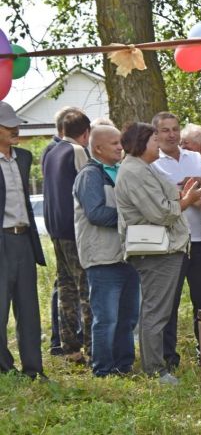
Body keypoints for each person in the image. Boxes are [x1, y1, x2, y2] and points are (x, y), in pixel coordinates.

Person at [115, 122, 201, 385]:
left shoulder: (143, 168)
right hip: (156, 252)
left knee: (158, 310)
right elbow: (160, 213)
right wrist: (187, 200)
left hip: (164, 249)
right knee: (156, 312)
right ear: (141, 143)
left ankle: (157, 365)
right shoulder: (134, 171)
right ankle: (154, 369)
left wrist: (180, 197)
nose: (160, 145)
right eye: (155, 140)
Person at [73, 125, 139, 377]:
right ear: (97, 148)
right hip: (102, 258)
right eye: (114, 143)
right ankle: (103, 369)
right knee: (107, 319)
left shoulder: (121, 171)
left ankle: (124, 365)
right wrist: (132, 216)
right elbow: (96, 213)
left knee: (128, 317)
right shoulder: (89, 175)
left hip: (127, 256)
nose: (120, 147)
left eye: (120, 142)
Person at [152, 112, 201, 369]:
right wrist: (183, 197)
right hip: (171, 244)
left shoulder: (196, 158)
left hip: (200, 240)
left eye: (175, 129)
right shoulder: (153, 164)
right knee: (170, 303)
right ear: (155, 135)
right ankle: (168, 358)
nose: (172, 134)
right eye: (165, 130)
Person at [0, 101, 46, 380]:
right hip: (1, 240)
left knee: (29, 308)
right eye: (8, 125)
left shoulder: (25, 157)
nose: (15, 129)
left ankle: (34, 369)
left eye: (17, 124)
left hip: (24, 239)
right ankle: (5, 369)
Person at [42, 109, 93, 363]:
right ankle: (93, 348)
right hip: (73, 230)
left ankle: (69, 347)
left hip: (54, 229)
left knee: (65, 289)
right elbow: (87, 185)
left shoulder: (50, 152)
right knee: (85, 289)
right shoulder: (77, 151)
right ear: (86, 134)